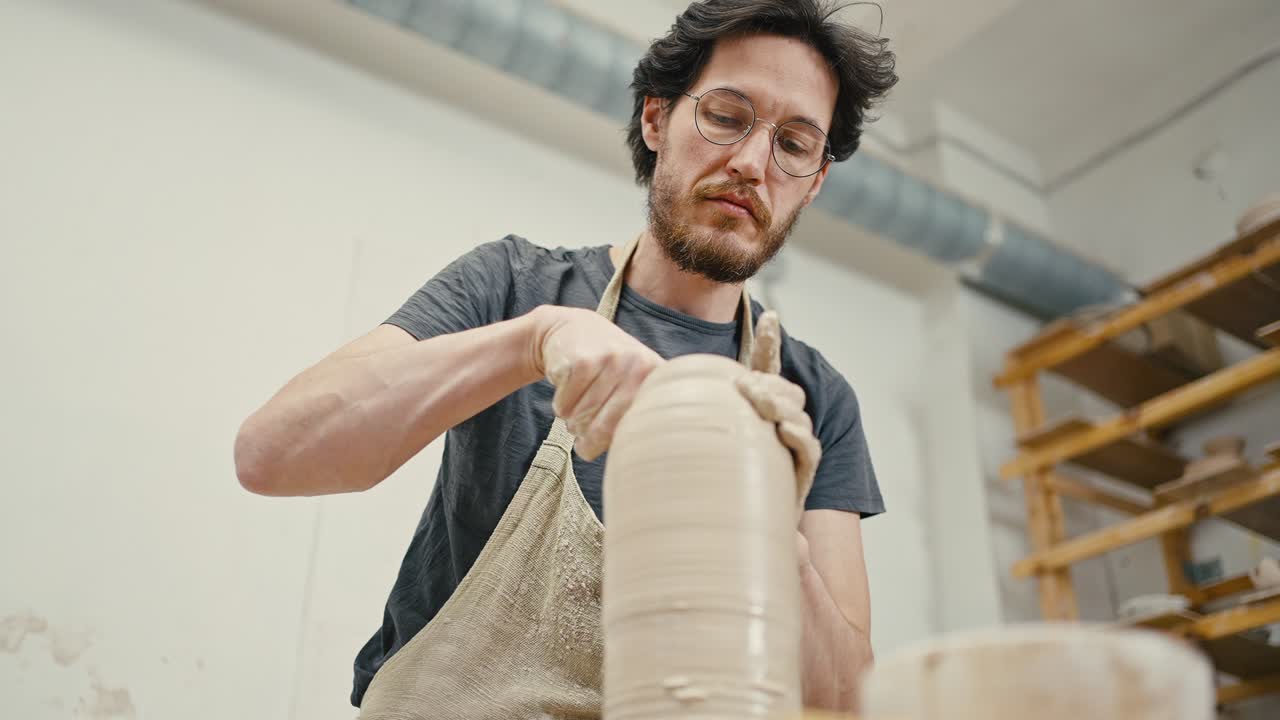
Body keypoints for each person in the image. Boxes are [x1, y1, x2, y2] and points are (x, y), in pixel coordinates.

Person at [234, 0, 897, 715]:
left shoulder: (811, 399)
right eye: (727, 116)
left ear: (816, 179)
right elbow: (273, 454)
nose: (750, 163)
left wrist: (776, 541)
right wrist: (530, 341)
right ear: (655, 120)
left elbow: (847, 701)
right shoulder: (514, 285)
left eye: (794, 144)